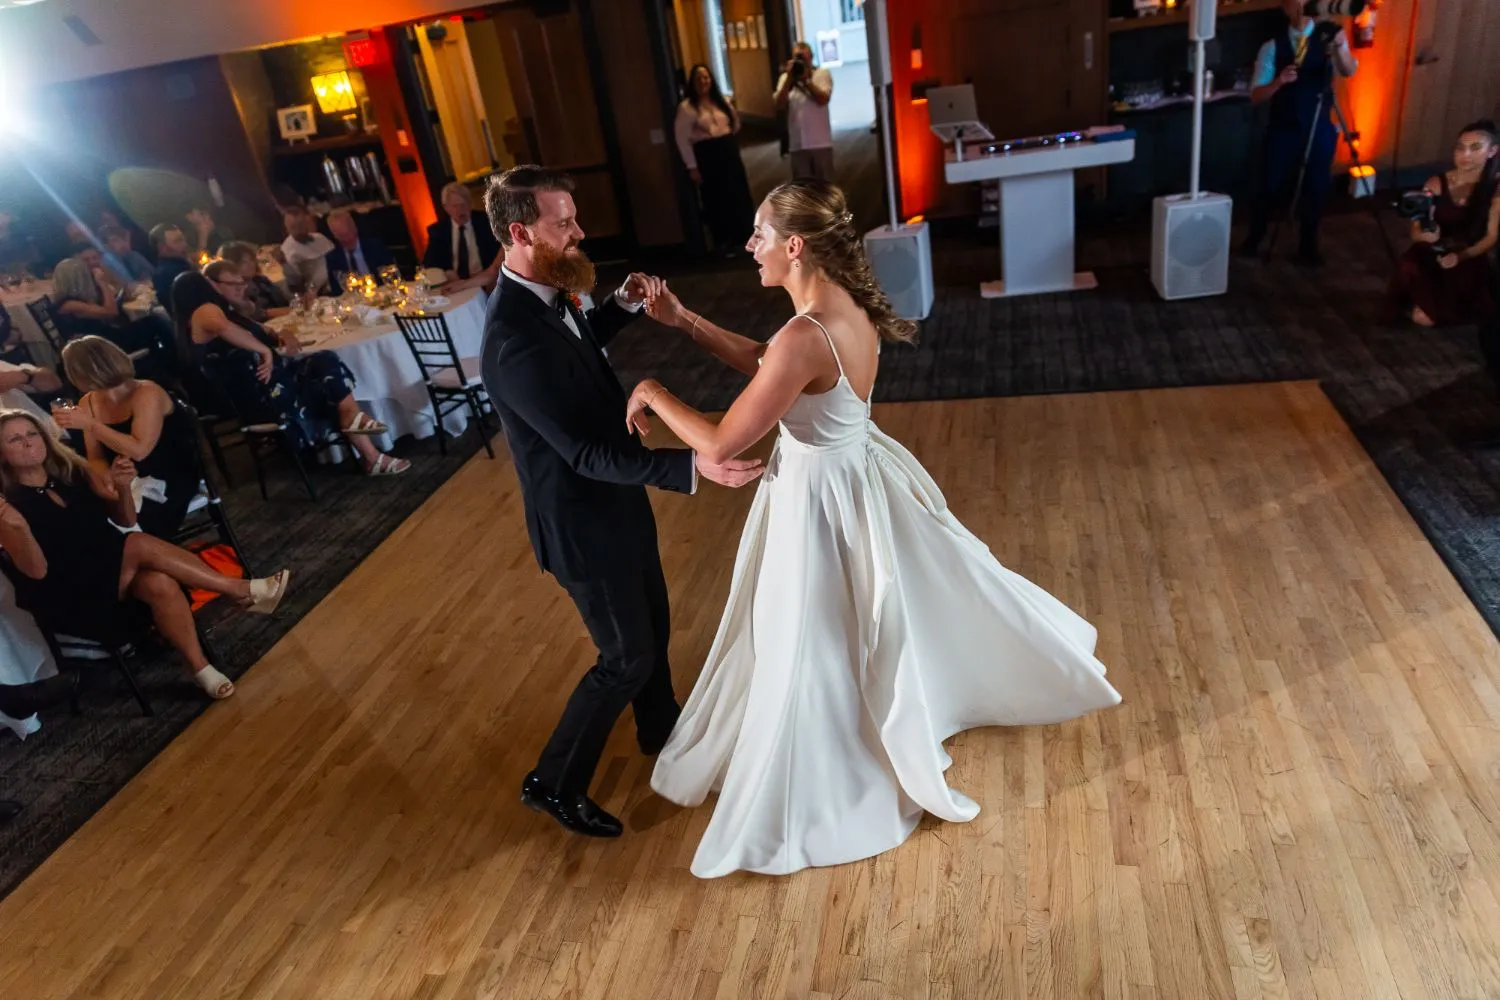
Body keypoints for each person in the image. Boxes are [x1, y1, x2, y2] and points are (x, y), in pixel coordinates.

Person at [630, 181, 1121, 877]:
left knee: (809, 636)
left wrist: (652, 391)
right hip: (849, 477)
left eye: (759, 235)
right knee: (840, 629)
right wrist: (686, 322)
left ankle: (824, 770)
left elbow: (718, 444)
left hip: (819, 498)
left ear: (794, 246)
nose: (750, 247)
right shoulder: (835, 309)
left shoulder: (804, 334)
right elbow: (773, 367)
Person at [478, 165, 763, 838]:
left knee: (655, 626)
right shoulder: (512, 339)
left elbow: (575, 359)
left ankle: (660, 727)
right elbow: (580, 453)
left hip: (615, 503)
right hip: (579, 523)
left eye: (574, 217)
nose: (579, 233)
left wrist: (618, 308)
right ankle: (553, 782)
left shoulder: (550, 297)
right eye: (563, 222)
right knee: (625, 658)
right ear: (520, 232)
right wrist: (690, 467)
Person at [0, 409, 290, 700]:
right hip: (71, 591)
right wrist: (18, 527)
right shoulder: (7, 506)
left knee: (158, 582)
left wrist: (123, 487)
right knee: (136, 543)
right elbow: (37, 573)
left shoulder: (72, 472)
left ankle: (201, 668)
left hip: (112, 569)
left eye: (32, 433)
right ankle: (240, 590)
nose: (28, 442)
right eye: (15, 439)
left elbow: (125, 520)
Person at [176, 264, 410, 476]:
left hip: (274, 382)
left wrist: (281, 336)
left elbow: (267, 330)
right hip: (261, 396)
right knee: (328, 379)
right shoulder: (203, 312)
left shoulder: (225, 312)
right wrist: (266, 351)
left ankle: (363, 439)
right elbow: (224, 328)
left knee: (324, 362)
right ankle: (367, 448)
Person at [1240, 0, 1359, 264]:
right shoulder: (1272, 46)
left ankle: (1308, 246)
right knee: (1268, 184)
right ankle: (1254, 238)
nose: (1303, 5)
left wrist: (1339, 46)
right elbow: (1256, 96)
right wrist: (1279, 81)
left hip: (1319, 125)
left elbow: (1348, 70)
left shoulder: (1329, 37)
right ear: (1285, 6)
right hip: (1283, 126)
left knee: (1316, 187)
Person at [56, 336, 201, 538]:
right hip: (125, 478)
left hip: (169, 474)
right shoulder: (87, 403)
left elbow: (139, 450)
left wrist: (90, 425)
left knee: (122, 530)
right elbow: (96, 457)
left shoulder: (147, 392)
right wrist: (109, 482)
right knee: (87, 517)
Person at [1385, 120, 1500, 328]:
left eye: (1475, 148)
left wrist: (1461, 256)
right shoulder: (1436, 183)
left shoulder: (1495, 187)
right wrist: (1424, 236)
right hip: (1431, 253)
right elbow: (1416, 229)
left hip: (1467, 253)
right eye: (1460, 148)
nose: (1465, 155)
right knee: (1412, 277)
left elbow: (1491, 236)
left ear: (1492, 151)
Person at [675, 64, 755, 256]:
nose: (703, 82)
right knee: (716, 197)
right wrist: (692, 166)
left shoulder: (721, 101)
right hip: (707, 154)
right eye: (699, 79)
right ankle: (724, 240)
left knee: (737, 193)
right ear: (692, 83)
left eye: (706, 78)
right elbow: (681, 138)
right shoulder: (687, 108)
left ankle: (743, 237)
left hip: (727, 150)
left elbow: (735, 123)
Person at [774, 41, 835, 184]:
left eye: (804, 58)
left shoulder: (822, 74)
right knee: (802, 191)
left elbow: (823, 100)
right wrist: (789, 78)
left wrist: (807, 81)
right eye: (797, 58)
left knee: (825, 189)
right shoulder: (785, 79)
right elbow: (779, 104)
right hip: (797, 145)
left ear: (812, 57)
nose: (801, 62)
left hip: (820, 143)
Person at [423, 181, 501, 289]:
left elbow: (499, 256)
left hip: (485, 282)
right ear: (446, 208)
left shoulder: (487, 222)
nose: (461, 210)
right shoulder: (438, 231)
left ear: (470, 204)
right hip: (455, 284)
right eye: (455, 206)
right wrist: (446, 272)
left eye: (463, 204)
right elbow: (429, 264)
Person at [324, 209, 397, 286]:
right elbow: (337, 291)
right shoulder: (333, 258)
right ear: (334, 236)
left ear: (354, 228)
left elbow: (391, 276)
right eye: (341, 236)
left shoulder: (375, 247)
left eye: (348, 234)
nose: (347, 239)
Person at [279, 208, 335, 297]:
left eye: (301, 225)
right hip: (319, 294)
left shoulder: (320, 238)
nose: (298, 230)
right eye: (293, 227)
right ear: (287, 228)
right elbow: (297, 287)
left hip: (336, 283)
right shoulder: (288, 251)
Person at [149, 224, 194, 307]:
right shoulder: (166, 275)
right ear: (162, 248)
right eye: (178, 241)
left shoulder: (183, 264)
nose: (185, 244)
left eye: (183, 239)